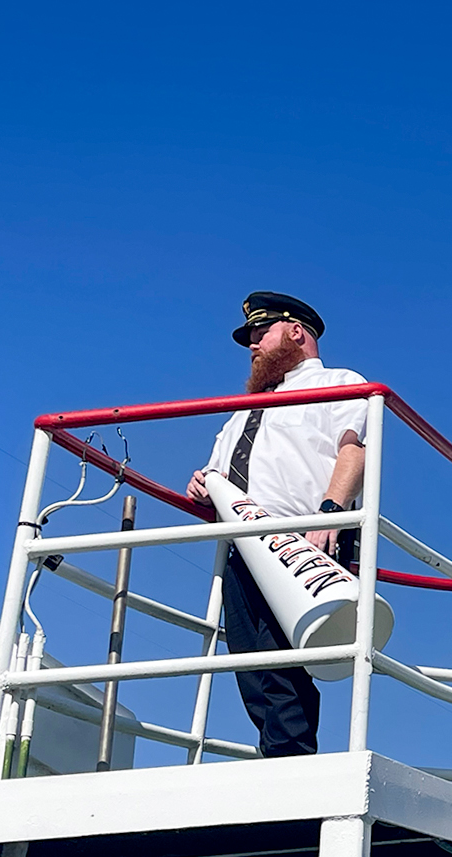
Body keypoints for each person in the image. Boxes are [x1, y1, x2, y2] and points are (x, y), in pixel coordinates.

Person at [185, 291, 368, 757]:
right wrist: (203, 483)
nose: (252, 345)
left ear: (295, 331)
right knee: (252, 661)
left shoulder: (339, 383)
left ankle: (292, 759)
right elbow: (219, 474)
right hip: (243, 542)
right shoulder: (241, 413)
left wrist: (332, 512)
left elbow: (356, 449)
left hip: (302, 537)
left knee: (281, 657)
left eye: (260, 333)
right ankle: (280, 756)